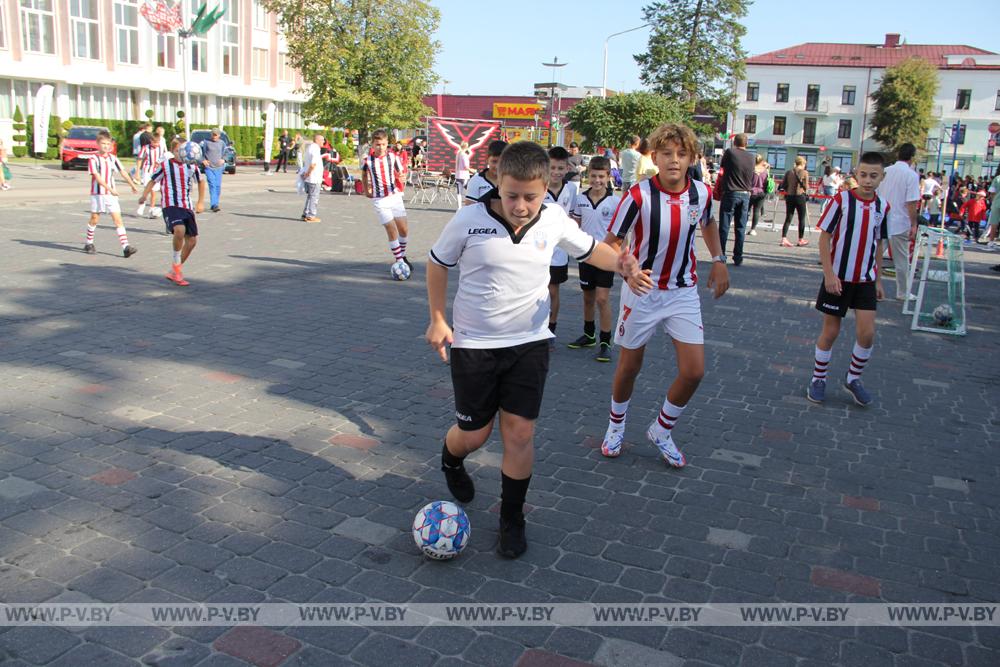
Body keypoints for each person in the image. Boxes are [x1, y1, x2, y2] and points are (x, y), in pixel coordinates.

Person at [425, 140, 650, 558]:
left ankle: (512, 519)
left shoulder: (554, 218)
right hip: (474, 344)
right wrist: (438, 318)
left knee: (520, 432)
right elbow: (438, 262)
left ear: (548, 187)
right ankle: (451, 459)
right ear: (498, 182)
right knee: (476, 434)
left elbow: (591, 248)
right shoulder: (469, 219)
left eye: (531, 196)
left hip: (530, 342)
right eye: (512, 195)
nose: (521, 205)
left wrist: (624, 262)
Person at [600, 123, 730, 468]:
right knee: (630, 367)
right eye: (667, 154)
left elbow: (709, 223)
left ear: (691, 158)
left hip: (682, 291)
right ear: (654, 157)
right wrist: (625, 266)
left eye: (681, 154)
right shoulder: (638, 196)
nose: (674, 160)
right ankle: (616, 426)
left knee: (694, 371)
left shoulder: (702, 193)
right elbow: (611, 243)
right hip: (642, 291)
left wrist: (718, 260)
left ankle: (661, 429)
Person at [808, 151, 888, 408]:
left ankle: (853, 378)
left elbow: (879, 244)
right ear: (856, 174)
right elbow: (824, 238)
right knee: (830, 331)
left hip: (865, 280)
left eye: (873, 176)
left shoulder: (882, 206)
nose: (867, 180)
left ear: (881, 178)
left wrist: (878, 279)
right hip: (838, 279)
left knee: (867, 333)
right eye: (863, 174)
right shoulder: (841, 200)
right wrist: (829, 274)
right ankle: (818, 379)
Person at [568, 156, 621, 362]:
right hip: (586, 255)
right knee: (588, 297)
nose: (597, 180)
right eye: (593, 175)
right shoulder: (580, 199)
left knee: (602, 298)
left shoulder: (615, 202)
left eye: (601, 176)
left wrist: (622, 255)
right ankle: (589, 334)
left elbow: (623, 232)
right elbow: (575, 226)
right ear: (587, 176)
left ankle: (605, 341)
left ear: (608, 177)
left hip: (606, 256)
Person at [141, 137, 206, 287]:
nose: (182, 153)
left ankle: (174, 270)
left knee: (192, 241)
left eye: (184, 150)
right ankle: (176, 268)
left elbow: (201, 182)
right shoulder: (165, 166)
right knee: (179, 230)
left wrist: (200, 202)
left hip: (187, 206)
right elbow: (153, 180)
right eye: (178, 150)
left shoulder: (192, 166)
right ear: (173, 151)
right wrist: (144, 195)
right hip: (170, 205)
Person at [83, 130, 140, 257]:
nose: (106, 146)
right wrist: (110, 188)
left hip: (110, 195)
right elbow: (97, 177)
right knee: (94, 218)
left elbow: (123, 172)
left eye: (108, 144)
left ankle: (126, 247)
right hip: (98, 194)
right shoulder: (93, 159)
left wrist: (132, 184)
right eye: (103, 143)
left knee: (117, 219)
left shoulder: (113, 158)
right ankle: (89, 243)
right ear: (97, 144)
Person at [876, 143, 920, 300]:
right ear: (912, 158)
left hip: (881, 218)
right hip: (900, 221)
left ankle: (871, 287)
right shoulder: (911, 176)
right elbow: (911, 203)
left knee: (874, 256)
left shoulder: (886, 172)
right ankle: (903, 292)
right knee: (901, 260)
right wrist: (914, 224)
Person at [544, 146, 578, 342]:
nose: (556, 172)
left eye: (560, 168)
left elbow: (573, 217)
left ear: (567, 169)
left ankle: (551, 328)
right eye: (552, 167)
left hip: (559, 250)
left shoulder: (571, 189)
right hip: (538, 247)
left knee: (553, 290)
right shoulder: (538, 186)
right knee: (535, 289)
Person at [362, 129, 411, 267]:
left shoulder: (393, 157)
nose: (380, 147)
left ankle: (402, 256)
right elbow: (364, 175)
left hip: (395, 196)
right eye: (377, 144)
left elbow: (402, 173)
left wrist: (402, 177)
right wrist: (366, 190)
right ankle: (400, 261)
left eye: (383, 144)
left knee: (404, 230)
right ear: (372, 145)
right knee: (391, 229)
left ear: (387, 144)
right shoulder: (368, 161)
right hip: (380, 200)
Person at [717, 133, 755, 266]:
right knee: (740, 227)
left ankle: (721, 255)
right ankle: (738, 256)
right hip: (745, 194)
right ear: (746, 144)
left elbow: (723, 167)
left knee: (724, 225)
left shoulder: (730, 153)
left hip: (730, 192)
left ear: (734, 142)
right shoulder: (752, 157)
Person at [464, 140, 507, 204]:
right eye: (494, 161)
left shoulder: (513, 181)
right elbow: (470, 208)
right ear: (487, 159)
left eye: (502, 162)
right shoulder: (476, 180)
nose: (497, 166)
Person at [780, 156, 810, 247]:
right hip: (800, 196)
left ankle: (784, 238)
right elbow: (806, 186)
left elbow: (783, 185)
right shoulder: (804, 172)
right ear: (802, 164)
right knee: (801, 218)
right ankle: (800, 239)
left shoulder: (789, 172)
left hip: (789, 196)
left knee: (788, 217)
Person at [136, 132, 166, 219]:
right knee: (147, 188)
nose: (156, 144)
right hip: (147, 171)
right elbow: (140, 159)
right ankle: (142, 204)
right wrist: (137, 172)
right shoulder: (145, 148)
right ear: (151, 141)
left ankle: (152, 209)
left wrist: (160, 163)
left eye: (158, 142)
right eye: (155, 142)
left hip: (157, 171)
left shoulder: (162, 148)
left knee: (154, 191)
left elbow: (165, 157)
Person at [199, 128, 227, 213]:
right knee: (212, 185)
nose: (214, 136)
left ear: (219, 135)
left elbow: (225, 153)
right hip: (209, 167)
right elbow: (200, 153)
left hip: (219, 167)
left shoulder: (222, 143)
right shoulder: (206, 142)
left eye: (216, 135)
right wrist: (203, 160)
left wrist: (224, 159)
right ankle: (214, 204)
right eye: (213, 134)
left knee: (217, 186)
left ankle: (215, 203)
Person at [300, 133, 324, 223]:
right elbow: (313, 164)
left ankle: (305, 214)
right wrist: (308, 173)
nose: (323, 142)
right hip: (314, 177)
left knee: (310, 196)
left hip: (310, 177)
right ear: (317, 140)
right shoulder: (315, 149)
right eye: (322, 140)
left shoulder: (310, 148)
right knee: (314, 197)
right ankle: (311, 215)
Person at [748, 155, 769, 236]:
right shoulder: (765, 171)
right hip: (761, 192)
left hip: (751, 192)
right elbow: (766, 182)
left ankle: (742, 226)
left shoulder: (751, 170)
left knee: (747, 210)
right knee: (756, 211)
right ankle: (753, 229)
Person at [454, 141, 472, 210]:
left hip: (458, 175)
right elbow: (466, 166)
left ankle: (459, 207)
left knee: (459, 192)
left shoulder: (458, 154)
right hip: (464, 175)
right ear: (466, 147)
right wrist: (472, 170)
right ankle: (468, 206)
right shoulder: (464, 155)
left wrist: (469, 152)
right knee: (469, 191)